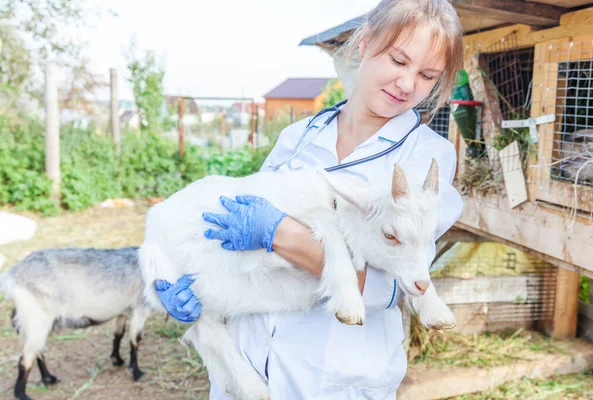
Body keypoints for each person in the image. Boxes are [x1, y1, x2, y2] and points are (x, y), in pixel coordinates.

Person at [155, 0, 464, 398]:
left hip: (332, 376)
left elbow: (397, 286)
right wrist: (195, 282)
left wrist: (282, 233)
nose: (407, 83)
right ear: (366, 43)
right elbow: (241, 238)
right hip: (248, 360)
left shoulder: (425, 157)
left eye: (426, 75)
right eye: (398, 60)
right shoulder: (298, 137)